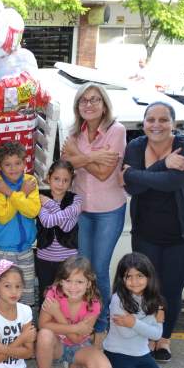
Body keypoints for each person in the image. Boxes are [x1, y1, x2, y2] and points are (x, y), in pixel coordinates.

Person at [122, 102, 184, 362]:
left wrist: (138, 174)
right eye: (150, 119)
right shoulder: (136, 146)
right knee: (147, 289)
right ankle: (148, 336)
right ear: (143, 122)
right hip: (146, 234)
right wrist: (163, 164)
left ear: (174, 123)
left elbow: (171, 183)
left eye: (163, 119)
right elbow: (131, 188)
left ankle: (164, 339)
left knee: (170, 290)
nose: (156, 125)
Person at [62, 83, 127, 337]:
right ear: (78, 106)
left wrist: (79, 156)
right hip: (82, 209)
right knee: (83, 269)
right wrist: (92, 157)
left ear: (104, 104)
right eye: (84, 100)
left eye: (95, 100)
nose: (89, 104)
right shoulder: (73, 133)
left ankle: (102, 325)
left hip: (109, 209)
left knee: (99, 268)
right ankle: (87, 319)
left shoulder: (116, 131)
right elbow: (66, 165)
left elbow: (103, 173)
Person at [35, 256, 112, 368]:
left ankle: (74, 367)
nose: (73, 287)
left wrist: (57, 313)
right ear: (61, 281)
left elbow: (77, 339)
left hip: (80, 346)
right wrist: (76, 328)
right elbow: (42, 324)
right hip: (56, 345)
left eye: (79, 282)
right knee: (44, 335)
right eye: (68, 281)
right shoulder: (53, 293)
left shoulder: (94, 303)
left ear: (89, 283)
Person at [104, 253, 171, 368]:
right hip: (118, 353)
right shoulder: (117, 299)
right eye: (129, 277)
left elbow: (157, 335)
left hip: (142, 353)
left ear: (149, 277)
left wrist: (133, 322)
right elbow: (126, 334)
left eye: (140, 276)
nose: (134, 282)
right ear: (122, 279)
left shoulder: (155, 299)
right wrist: (150, 318)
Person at [0, 141, 41, 307]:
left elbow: (32, 211)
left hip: (26, 250)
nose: (13, 168)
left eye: (18, 163)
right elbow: (3, 216)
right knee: (4, 295)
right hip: (2, 251)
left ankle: (28, 329)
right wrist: (20, 194)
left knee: (26, 294)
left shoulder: (30, 181)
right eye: (8, 164)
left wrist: (11, 193)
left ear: (25, 162)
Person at [35, 160, 82, 305]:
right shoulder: (38, 197)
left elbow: (67, 228)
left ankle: (65, 325)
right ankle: (45, 325)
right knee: (47, 294)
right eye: (56, 179)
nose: (60, 184)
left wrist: (49, 204)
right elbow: (46, 222)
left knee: (67, 296)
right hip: (44, 257)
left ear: (71, 182)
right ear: (49, 178)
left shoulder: (76, 200)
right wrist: (61, 213)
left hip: (68, 259)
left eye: (65, 180)